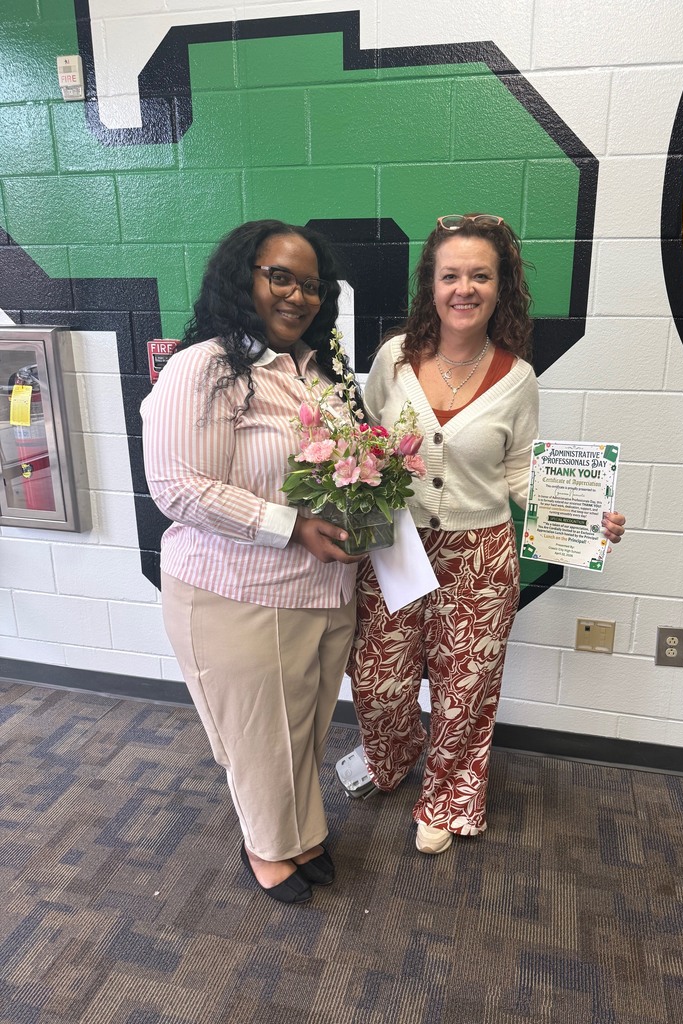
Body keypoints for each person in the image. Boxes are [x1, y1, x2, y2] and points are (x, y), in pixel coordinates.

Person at [341, 213, 626, 854]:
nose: (463, 288)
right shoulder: (394, 360)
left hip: (479, 554)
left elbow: (521, 472)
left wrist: (587, 520)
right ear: (431, 286)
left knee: (465, 686)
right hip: (397, 545)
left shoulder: (517, 377)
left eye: (480, 276)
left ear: (501, 288)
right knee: (377, 681)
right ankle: (389, 758)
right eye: (450, 276)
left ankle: (447, 797)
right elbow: (362, 447)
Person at [141, 220, 363, 904]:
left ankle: (298, 832)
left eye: (311, 286)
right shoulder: (203, 366)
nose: (299, 296)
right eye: (281, 278)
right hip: (238, 591)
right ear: (244, 280)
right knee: (261, 735)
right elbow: (178, 487)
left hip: (323, 592)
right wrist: (291, 527)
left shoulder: (320, 372)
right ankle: (267, 849)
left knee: (304, 727)